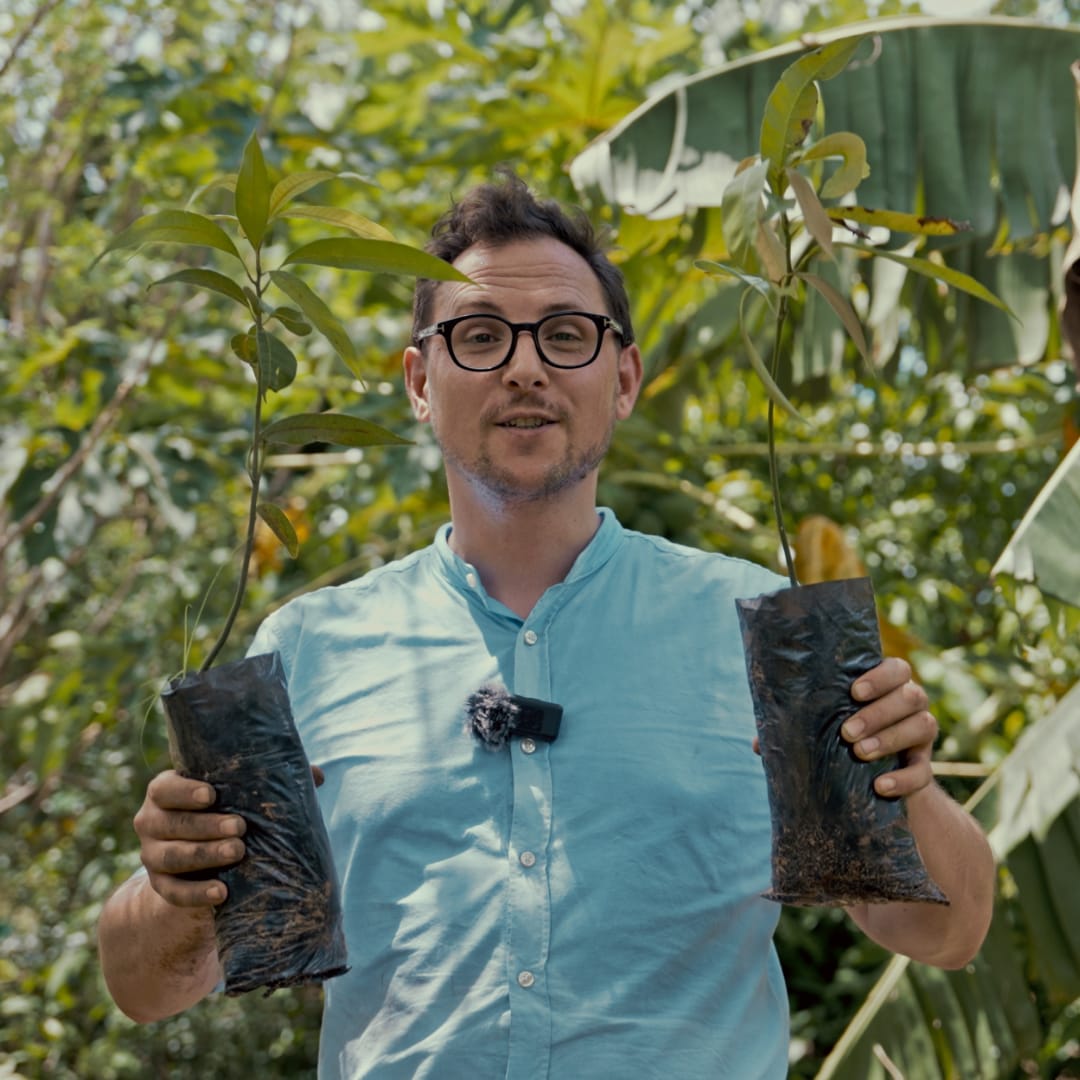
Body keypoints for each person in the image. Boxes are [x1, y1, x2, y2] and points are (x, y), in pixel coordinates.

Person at [97, 173, 996, 1078]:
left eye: (566, 335)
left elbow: (944, 931)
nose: (525, 367)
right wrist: (179, 884)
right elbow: (146, 988)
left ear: (625, 376)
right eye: (480, 336)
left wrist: (904, 786)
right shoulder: (310, 647)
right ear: (419, 379)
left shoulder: (759, 628)